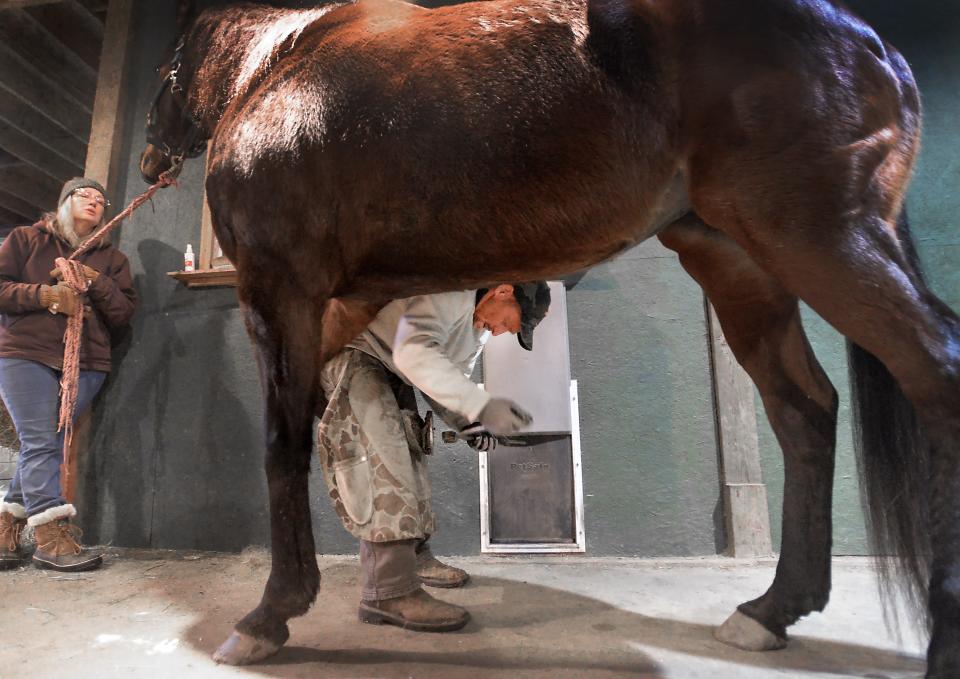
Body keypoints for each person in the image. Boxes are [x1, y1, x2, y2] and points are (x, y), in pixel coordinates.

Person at [317, 282, 551, 631]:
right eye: (509, 323)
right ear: (503, 291)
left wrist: (472, 425)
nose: (501, 331)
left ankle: (414, 559)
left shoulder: (477, 330)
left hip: (391, 366)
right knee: (385, 465)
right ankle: (388, 592)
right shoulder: (449, 291)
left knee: (412, 459)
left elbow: (445, 379)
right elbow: (414, 352)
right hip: (355, 350)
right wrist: (482, 406)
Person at [0, 178, 137, 572]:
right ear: (64, 202)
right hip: (26, 354)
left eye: (100, 200)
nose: (94, 201)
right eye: (84, 195)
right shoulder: (26, 239)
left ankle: (7, 527)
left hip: (87, 363)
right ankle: (49, 535)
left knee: (42, 443)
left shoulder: (112, 259)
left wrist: (96, 281)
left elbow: (124, 314)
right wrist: (41, 295)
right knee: (41, 441)